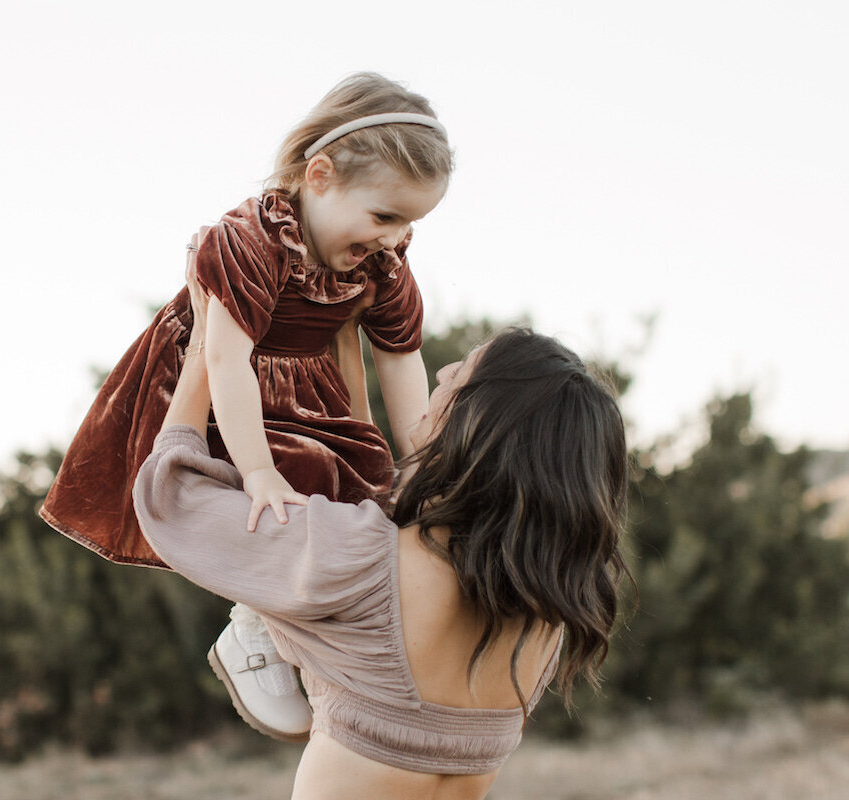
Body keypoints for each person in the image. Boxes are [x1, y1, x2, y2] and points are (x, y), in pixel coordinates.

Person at [39, 73, 454, 737]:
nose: (394, 235)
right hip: (217, 384)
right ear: (320, 177)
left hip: (308, 389)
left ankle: (309, 632)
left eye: (410, 222)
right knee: (287, 475)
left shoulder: (381, 264)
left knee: (371, 488)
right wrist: (258, 469)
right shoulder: (251, 240)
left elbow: (401, 358)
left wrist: (427, 462)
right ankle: (254, 627)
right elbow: (226, 361)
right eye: (384, 216)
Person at [133, 269, 631, 798]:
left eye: (462, 372)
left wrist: (205, 350)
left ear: (484, 424)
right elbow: (381, 496)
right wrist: (347, 344)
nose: (444, 373)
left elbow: (172, 496)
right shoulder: (544, 618)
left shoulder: (360, 562)